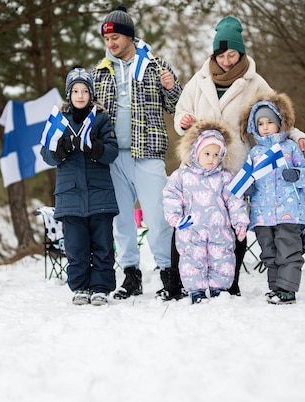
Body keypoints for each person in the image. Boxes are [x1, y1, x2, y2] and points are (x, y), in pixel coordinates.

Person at [173, 15, 305, 297]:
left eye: (232, 54)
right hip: (201, 166)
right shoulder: (199, 80)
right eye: (222, 55)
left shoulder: (254, 81)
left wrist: (298, 136)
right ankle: (183, 284)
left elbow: (277, 116)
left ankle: (229, 282)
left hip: (237, 165)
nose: (227, 60)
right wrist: (183, 121)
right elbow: (180, 112)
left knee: (232, 225)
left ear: (241, 52)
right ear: (215, 53)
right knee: (190, 223)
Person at [92, 5, 184, 300]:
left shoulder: (154, 65)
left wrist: (171, 88)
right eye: (107, 39)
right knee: (122, 220)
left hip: (147, 154)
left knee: (158, 218)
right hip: (113, 157)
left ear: (130, 36)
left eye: (116, 37)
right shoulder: (99, 72)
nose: (111, 43)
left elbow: (177, 107)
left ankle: (170, 274)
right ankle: (131, 274)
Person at [40, 67, 119, 306]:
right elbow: (46, 152)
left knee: (103, 245)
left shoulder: (101, 119)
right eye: (75, 91)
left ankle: (101, 288)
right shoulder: (58, 121)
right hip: (70, 196)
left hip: (99, 196)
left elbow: (112, 151)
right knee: (76, 247)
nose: (80, 95)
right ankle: (80, 287)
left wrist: (95, 148)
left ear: (91, 93)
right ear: (69, 93)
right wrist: (60, 150)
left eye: (85, 90)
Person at [239, 92, 305, 304]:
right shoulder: (255, 153)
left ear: (280, 123)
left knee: (289, 250)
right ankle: (276, 288)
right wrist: (248, 187)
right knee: (269, 253)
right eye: (260, 123)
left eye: (269, 122)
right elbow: (247, 176)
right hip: (263, 215)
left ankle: (288, 289)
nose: (265, 127)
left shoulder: (290, 148)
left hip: (289, 212)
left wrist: (298, 175)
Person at [163, 120, 249, 304]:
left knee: (222, 259)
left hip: (220, 231)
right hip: (192, 232)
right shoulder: (183, 176)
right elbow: (171, 196)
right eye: (207, 153)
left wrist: (240, 222)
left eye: (216, 154)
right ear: (196, 152)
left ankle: (219, 289)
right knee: (192, 261)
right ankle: (196, 291)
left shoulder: (225, 177)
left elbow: (235, 201)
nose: (211, 158)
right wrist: (175, 217)